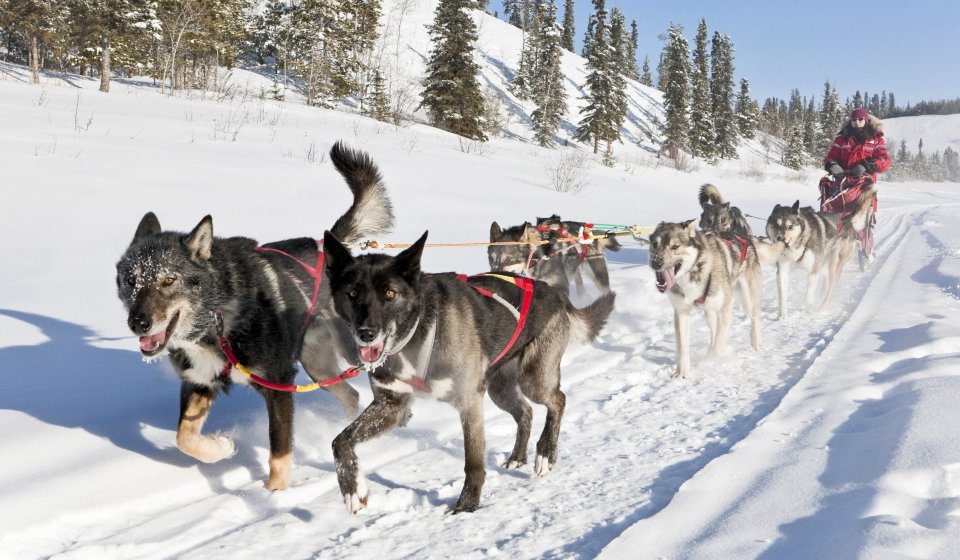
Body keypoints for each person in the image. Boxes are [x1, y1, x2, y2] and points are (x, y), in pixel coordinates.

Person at [822, 108, 891, 205]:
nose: (857, 122)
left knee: (860, 218)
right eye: (854, 120)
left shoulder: (876, 139)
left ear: (866, 120)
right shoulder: (841, 139)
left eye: (860, 119)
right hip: (842, 185)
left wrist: (866, 166)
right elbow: (830, 158)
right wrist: (832, 165)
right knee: (835, 215)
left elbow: (884, 160)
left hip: (865, 187)